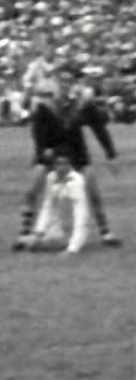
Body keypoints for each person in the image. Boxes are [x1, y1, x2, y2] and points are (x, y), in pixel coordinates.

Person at [15, 67, 120, 249]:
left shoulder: (82, 105)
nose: (65, 85)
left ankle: (105, 232)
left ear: (73, 84)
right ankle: (24, 233)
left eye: (68, 81)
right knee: (34, 186)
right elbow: (37, 131)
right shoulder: (45, 106)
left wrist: (110, 153)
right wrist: (42, 152)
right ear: (55, 84)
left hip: (76, 153)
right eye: (61, 81)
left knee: (92, 188)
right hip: (52, 153)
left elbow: (99, 128)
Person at [17, 148, 90, 256]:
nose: (61, 167)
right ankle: (43, 239)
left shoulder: (76, 181)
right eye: (58, 163)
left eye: (65, 163)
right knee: (24, 241)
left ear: (70, 164)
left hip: (71, 231)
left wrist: (72, 249)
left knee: (29, 244)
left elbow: (81, 214)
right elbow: (47, 206)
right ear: (53, 165)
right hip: (56, 229)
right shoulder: (51, 178)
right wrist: (39, 231)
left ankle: (64, 242)